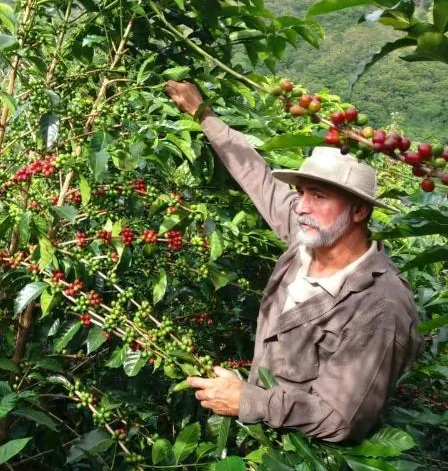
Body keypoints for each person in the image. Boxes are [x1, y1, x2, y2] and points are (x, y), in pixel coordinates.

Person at [164, 80, 424, 442]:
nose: (301, 206)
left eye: (318, 195)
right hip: (258, 440)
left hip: (301, 457)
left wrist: (248, 401)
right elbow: (258, 178)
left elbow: (340, 420)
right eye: (301, 193)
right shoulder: (309, 236)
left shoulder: (381, 309)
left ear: (360, 210)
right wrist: (203, 114)